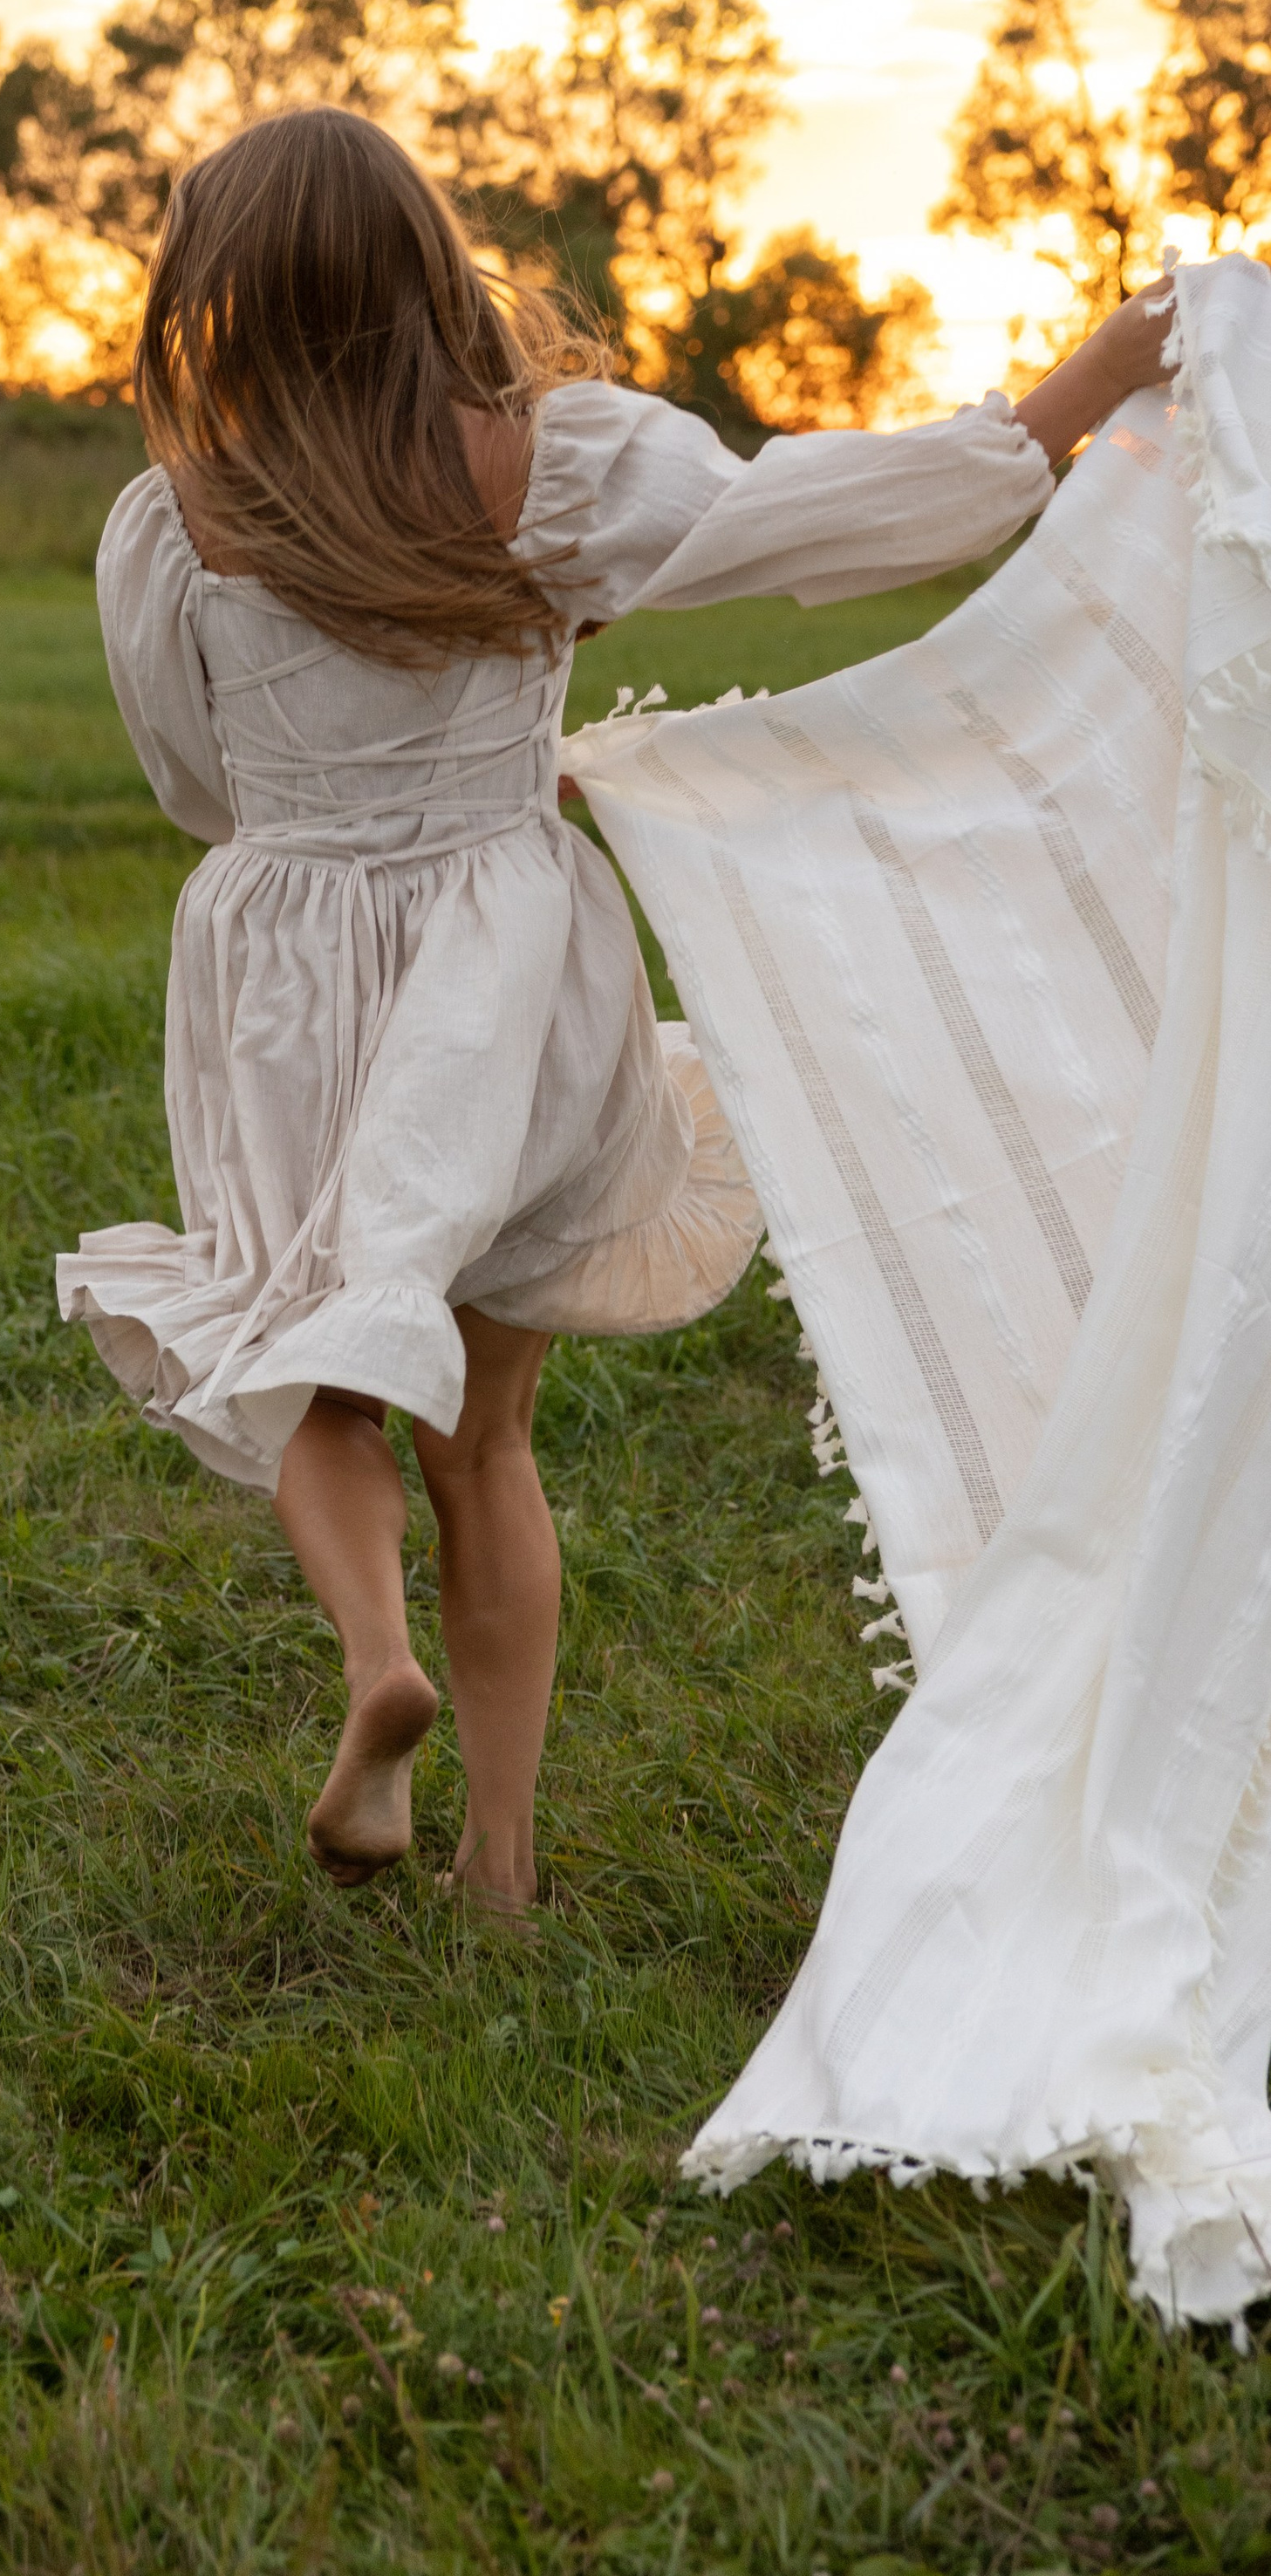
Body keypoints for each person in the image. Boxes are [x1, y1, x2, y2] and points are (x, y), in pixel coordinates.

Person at [57, 106, 1172, 1919]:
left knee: (305, 1357)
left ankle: (368, 1660)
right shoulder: (549, 465)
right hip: (507, 977)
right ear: (423, 264)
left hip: (280, 980)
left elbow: (195, 783)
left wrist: (344, 808)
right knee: (483, 1434)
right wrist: (1100, 365)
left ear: (226, 295)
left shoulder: (176, 520)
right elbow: (840, 519)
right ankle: (497, 1870)